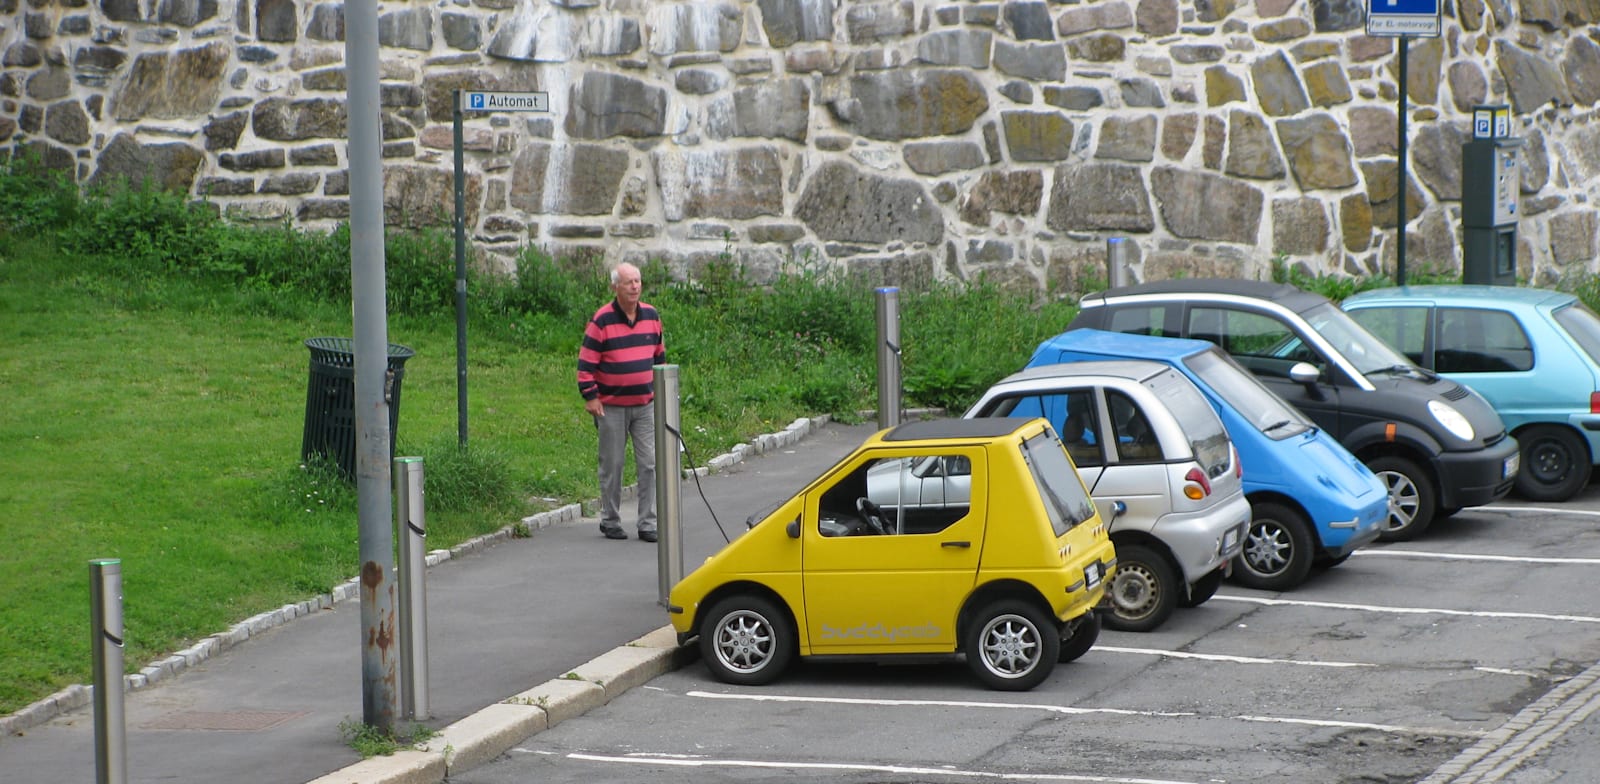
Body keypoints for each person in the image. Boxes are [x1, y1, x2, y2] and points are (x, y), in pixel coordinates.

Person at [577, 262, 666, 542]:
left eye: (638, 281)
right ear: (615, 287)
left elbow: (659, 357)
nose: (635, 287)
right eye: (629, 282)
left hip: (645, 404)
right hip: (611, 406)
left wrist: (662, 393)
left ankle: (647, 522)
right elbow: (585, 364)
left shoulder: (651, 315)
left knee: (649, 463)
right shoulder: (602, 320)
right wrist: (591, 396)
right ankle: (610, 520)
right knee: (613, 464)